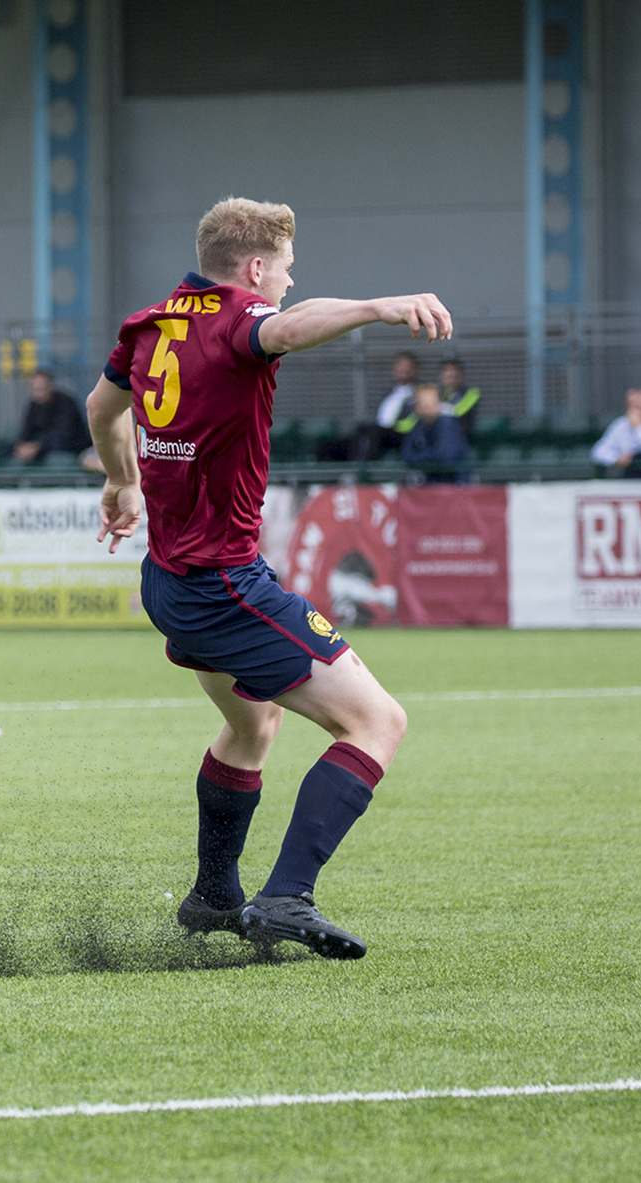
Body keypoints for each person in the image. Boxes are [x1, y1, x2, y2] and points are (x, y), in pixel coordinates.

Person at [85, 196, 450, 959]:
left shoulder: (150, 324)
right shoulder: (241, 322)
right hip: (226, 587)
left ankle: (214, 895)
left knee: (254, 724)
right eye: (284, 266)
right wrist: (380, 307)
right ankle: (286, 897)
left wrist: (122, 483)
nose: (289, 279)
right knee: (379, 722)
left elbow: (102, 404)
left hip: (170, 583)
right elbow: (283, 327)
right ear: (254, 268)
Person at [349, 351, 421, 459]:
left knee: (375, 431)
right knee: (360, 430)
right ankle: (350, 468)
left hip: (402, 434)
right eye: (399, 366)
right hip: (379, 432)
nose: (402, 369)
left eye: (407, 366)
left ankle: (361, 471)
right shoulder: (388, 393)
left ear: (415, 370)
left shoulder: (419, 393)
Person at [590, 387, 641, 477]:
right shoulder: (620, 425)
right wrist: (616, 458)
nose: (638, 411)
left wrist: (639, 428)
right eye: (634, 406)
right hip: (630, 483)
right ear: (627, 408)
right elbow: (597, 452)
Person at [10, 369, 91, 462]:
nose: (39, 392)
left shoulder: (66, 402)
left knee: (58, 444)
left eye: (42, 387)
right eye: (36, 389)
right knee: (9, 449)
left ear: (50, 386)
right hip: (42, 444)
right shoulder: (32, 405)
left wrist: (37, 446)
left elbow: (65, 433)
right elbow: (27, 430)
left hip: (71, 444)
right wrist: (24, 446)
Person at [399, 383, 471, 482]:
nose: (427, 408)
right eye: (423, 403)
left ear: (438, 404)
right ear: (416, 408)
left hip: (454, 485)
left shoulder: (447, 423)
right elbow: (407, 456)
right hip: (428, 485)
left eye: (431, 403)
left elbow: (446, 458)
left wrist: (421, 456)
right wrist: (431, 456)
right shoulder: (417, 425)